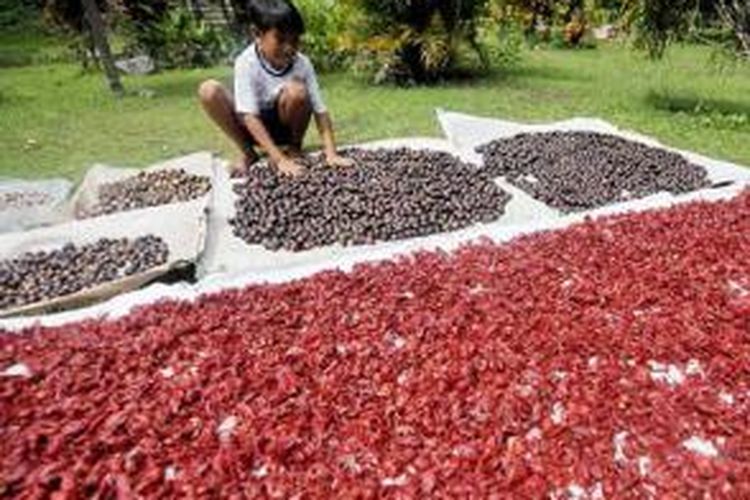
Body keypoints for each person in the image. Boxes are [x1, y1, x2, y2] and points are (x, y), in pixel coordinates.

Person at [198, 0, 353, 176]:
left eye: (295, 41)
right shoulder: (245, 63)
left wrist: (331, 154)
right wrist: (279, 160)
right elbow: (248, 116)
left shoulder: (302, 64)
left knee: (297, 92)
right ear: (257, 34)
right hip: (252, 129)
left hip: (284, 128)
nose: (288, 48)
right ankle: (248, 153)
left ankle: (294, 148)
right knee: (208, 90)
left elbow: (320, 110)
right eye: (280, 40)